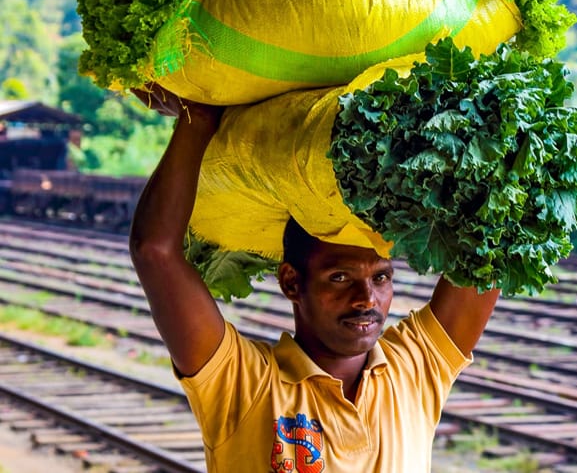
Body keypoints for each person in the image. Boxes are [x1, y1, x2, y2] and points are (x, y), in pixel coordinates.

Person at [128, 87, 500, 472]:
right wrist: (198, 119)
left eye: (381, 277)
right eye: (340, 277)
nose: (366, 299)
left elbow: (495, 249)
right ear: (291, 282)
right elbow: (154, 251)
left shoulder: (415, 369)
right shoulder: (244, 385)